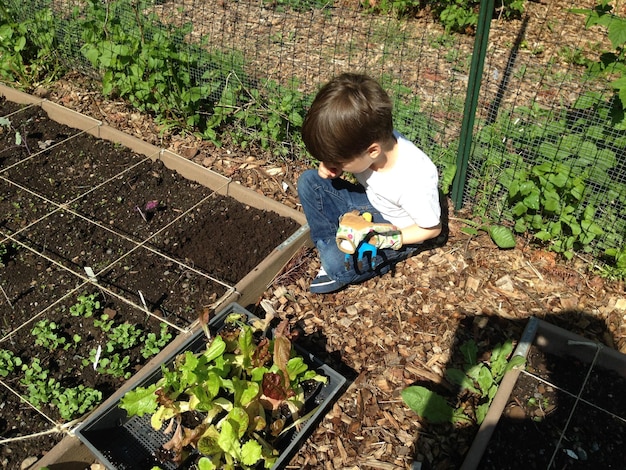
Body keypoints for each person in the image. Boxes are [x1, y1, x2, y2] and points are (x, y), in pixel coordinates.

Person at [297, 73, 445, 294]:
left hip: (396, 228)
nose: (333, 163)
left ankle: (336, 259)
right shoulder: (367, 138)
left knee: (337, 263)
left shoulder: (413, 179)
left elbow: (432, 229)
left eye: (339, 161)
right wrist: (333, 168)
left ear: (372, 151)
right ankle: (335, 242)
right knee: (309, 181)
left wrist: (387, 238)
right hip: (372, 203)